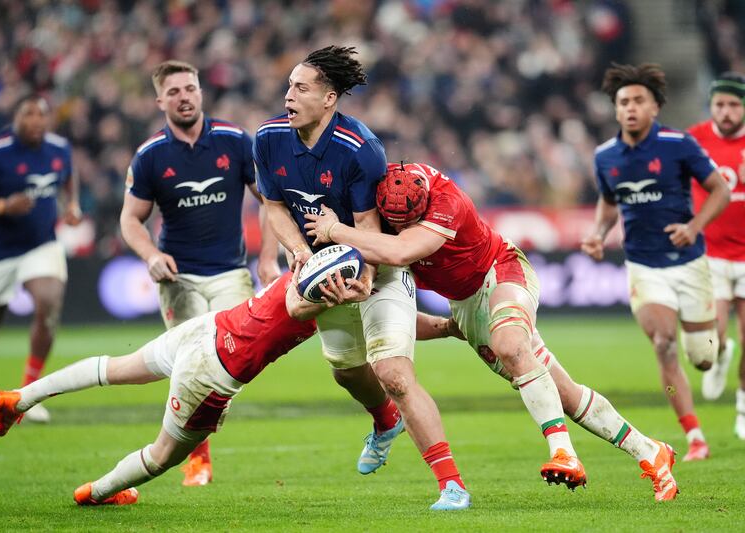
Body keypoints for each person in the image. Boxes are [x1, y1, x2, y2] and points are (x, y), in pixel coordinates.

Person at [308, 162, 681, 501]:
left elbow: (403, 251)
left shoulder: (445, 201)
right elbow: (401, 318)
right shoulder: (379, 202)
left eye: (412, 220)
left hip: (499, 269)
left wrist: (335, 230)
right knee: (564, 394)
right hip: (466, 306)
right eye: (398, 222)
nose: (406, 226)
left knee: (509, 343)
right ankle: (651, 452)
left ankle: (563, 453)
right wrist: (443, 326)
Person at [0, 269, 465, 507]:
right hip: (212, 370)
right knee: (163, 456)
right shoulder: (336, 283)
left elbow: (383, 322)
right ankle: (98, 492)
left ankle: (19, 398)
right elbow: (328, 315)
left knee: (113, 367)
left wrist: (444, 328)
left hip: (208, 328)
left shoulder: (311, 260)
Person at [254, 45, 469, 510]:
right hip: (322, 266)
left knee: (393, 372)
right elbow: (272, 204)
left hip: (378, 264)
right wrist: (296, 252)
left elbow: (370, 226)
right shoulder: (269, 138)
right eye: (288, 85)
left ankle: (451, 484)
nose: (287, 95)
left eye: (300, 88)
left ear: (329, 99)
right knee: (348, 372)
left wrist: (367, 274)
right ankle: (384, 420)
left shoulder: (361, 149)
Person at [120, 60, 281, 486]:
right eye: (173, 92)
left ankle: (198, 435)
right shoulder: (150, 156)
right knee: (190, 367)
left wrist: (268, 257)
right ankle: (198, 458)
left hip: (231, 272)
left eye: (189, 88)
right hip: (179, 277)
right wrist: (150, 255)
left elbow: (270, 200)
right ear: (160, 101)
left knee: (229, 365)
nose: (184, 97)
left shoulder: (234, 140)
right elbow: (130, 220)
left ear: (201, 92)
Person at [581, 63, 730, 461]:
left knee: (702, 357)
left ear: (655, 106)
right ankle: (695, 435)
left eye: (638, 101)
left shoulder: (678, 145)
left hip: (689, 262)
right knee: (663, 343)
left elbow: (720, 189)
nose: (630, 108)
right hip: (644, 265)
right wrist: (598, 233)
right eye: (623, 102)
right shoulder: (606, 156)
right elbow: (610, 202)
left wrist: (695, 226)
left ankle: (719, 346)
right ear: (615, 110)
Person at [0, 94, 81, 428]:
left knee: (49, 301)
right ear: (16, 118)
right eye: (29, 114)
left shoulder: (59, 148)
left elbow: (69, 176)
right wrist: (0, 206)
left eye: (42, 115)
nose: (37, 121)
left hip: (41, 244)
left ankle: (27, 393)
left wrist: (72, 205)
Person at [688, 72, 745, 439]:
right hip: (712, 254)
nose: (725, 111)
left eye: (734, 104)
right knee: (716, 336)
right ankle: (721, 355)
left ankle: (742, 406)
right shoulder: (695, 140)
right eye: (719, 104)